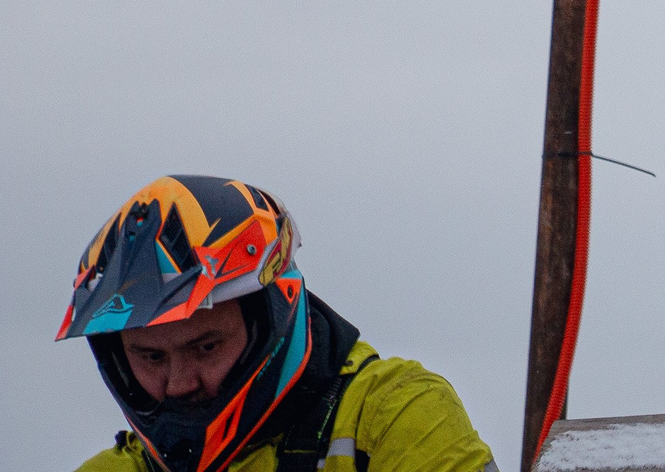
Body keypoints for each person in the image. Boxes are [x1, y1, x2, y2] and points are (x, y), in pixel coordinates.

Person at [59, 175, 495, 472]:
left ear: (271, 321)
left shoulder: (395, 413)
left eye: (205, 347)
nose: (179, 383)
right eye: (151, 356)